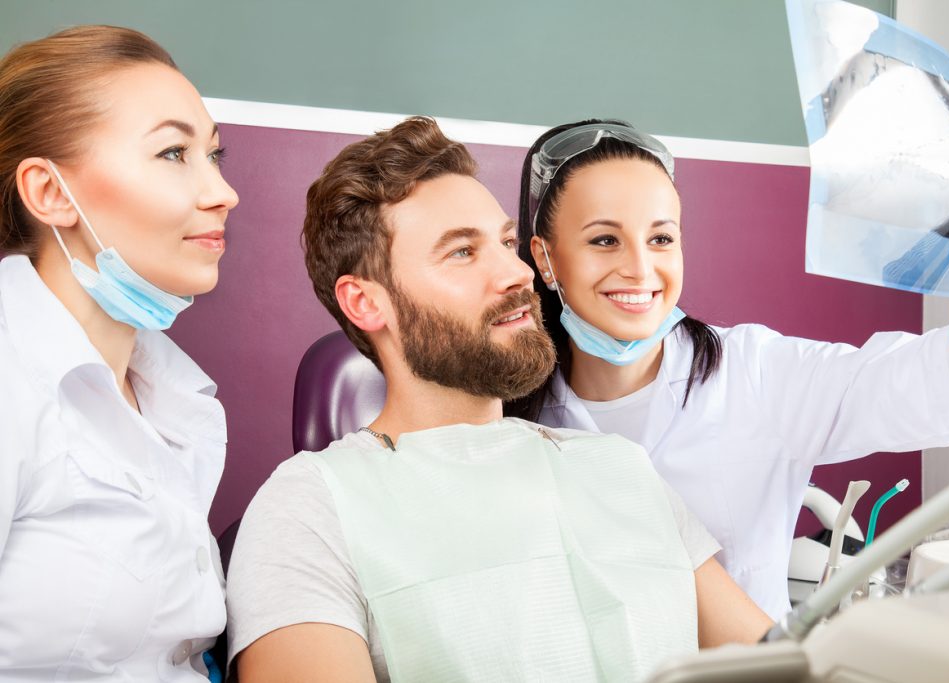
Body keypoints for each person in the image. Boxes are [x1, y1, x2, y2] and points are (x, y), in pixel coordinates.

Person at [226, 116, 772, 683]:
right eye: (462, 252)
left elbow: (781, 667)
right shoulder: (309, 509)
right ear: (365, 303)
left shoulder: (621, 469)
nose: (517, 273)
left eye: (508, 244)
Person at [506, 119, 949, 619]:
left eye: (661, 239)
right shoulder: (506, 413)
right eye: (604, 240)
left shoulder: (757, 374)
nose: (640, 269)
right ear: (545, 258)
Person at [0, 26, 239, 680]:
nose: (222, 192)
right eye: (172, 153)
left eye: (214, 154)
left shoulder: (175, 399)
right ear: (50, 193)